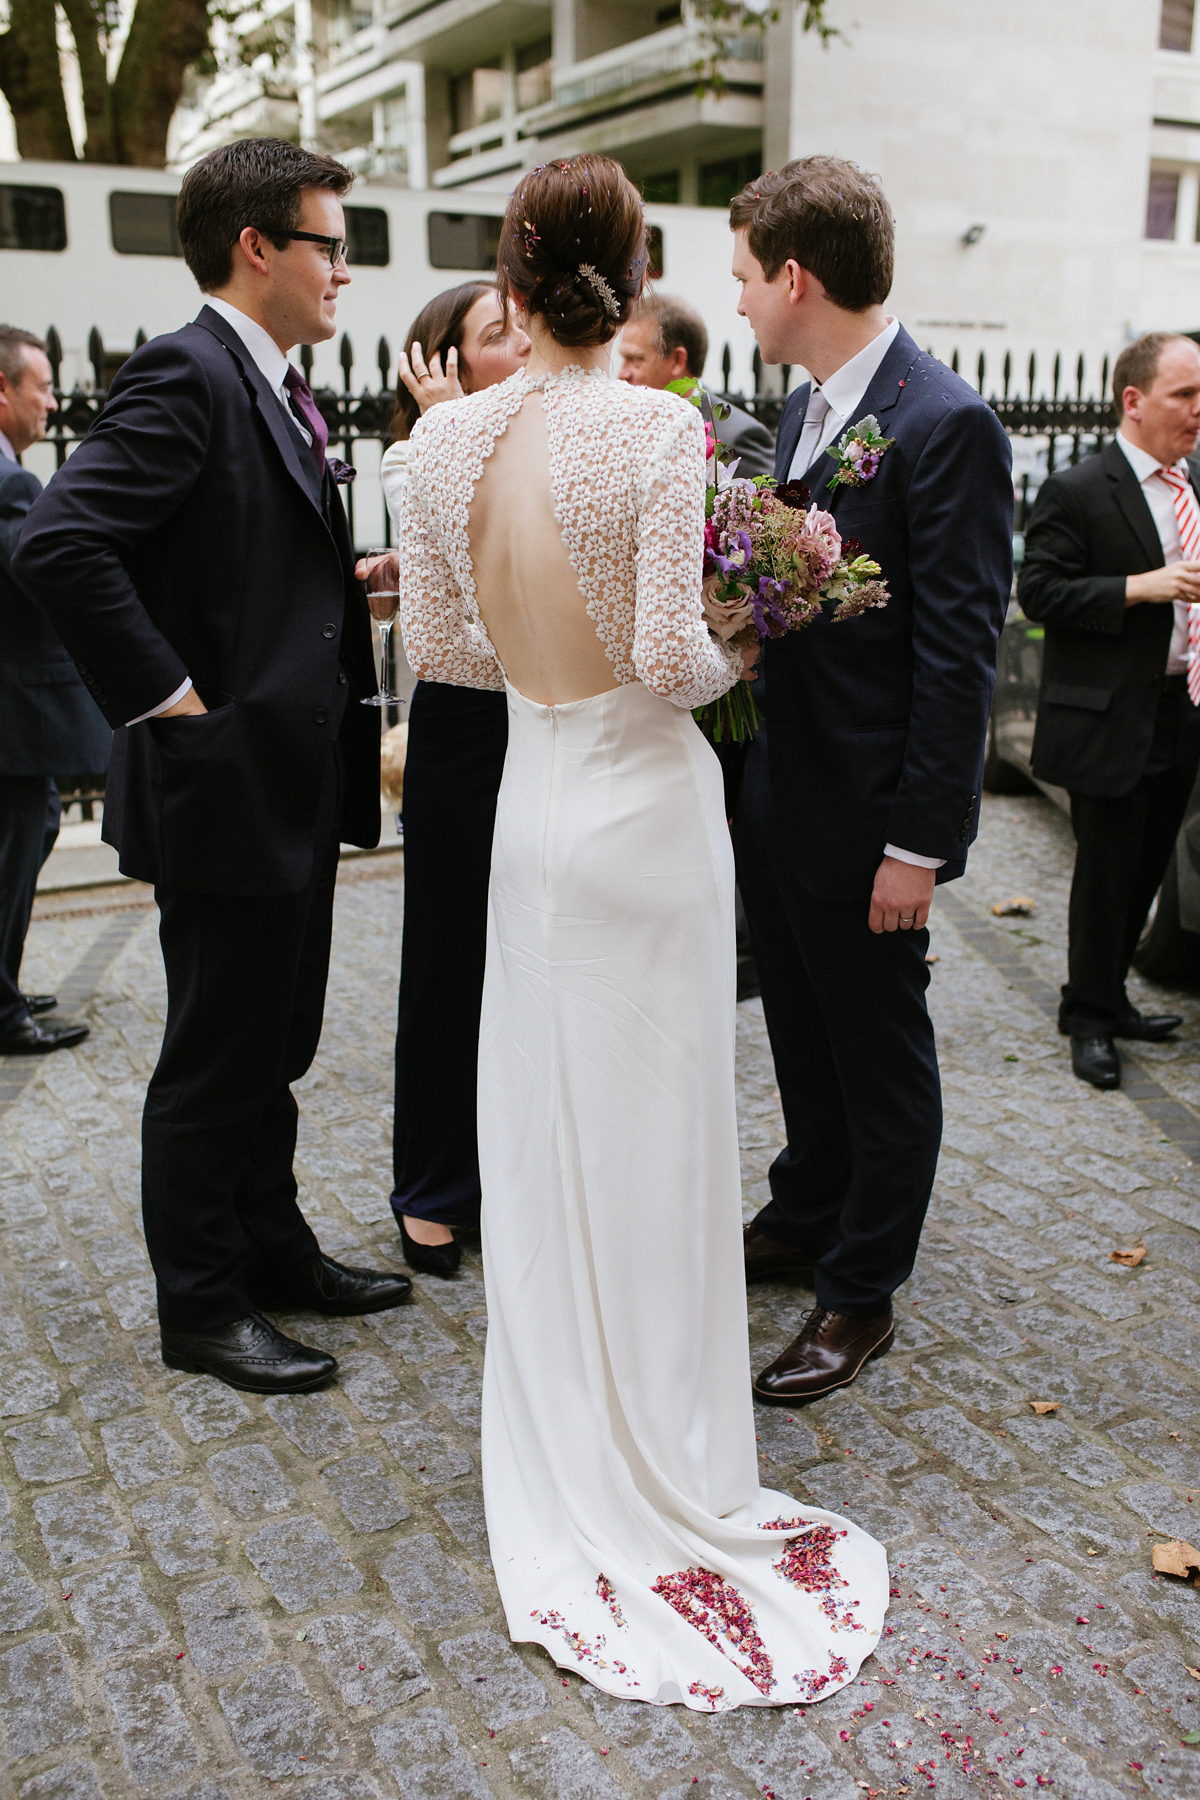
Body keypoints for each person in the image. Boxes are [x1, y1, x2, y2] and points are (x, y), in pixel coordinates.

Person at [399, 153, 886, 1712]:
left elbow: (443, 650)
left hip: (533, 812)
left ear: (512, 274)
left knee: (545, 1117)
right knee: (659, 1119)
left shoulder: (444, 437)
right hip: (644, 810)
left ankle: (563, 1408)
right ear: (634, 269)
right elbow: (679, 663)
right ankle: (665, 1451)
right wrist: (772, 606)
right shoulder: (655, 429)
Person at [14, 138, 411, 1397]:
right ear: (258, 248)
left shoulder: (274, 379)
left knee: (273, 1042)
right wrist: (172, 699)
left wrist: (338, 592)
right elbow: (66, 545)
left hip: (283, 780)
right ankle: (201, 1305)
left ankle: (274, 1248)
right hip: (220, 779)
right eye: (330, 244)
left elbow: (233, 554)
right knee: (215, 1057)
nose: (345, 269)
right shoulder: (187, 372)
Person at [729, 158, 1013, 1403]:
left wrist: (919, 845)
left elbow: (962, 656)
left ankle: (861, 1289)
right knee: (802, 1029)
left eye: (744, 278)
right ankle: (806, 1207)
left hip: (870, 817)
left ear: (797, 277)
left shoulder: (944, 422)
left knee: (879, 1050)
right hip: (785, 793)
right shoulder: (803, 411)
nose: (736, 302)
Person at [380, 283, 530, 1276]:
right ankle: (432, 1184)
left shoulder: (570, 434)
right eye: (493, 334)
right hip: (469, 725)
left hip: (558, 719)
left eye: (521, 323)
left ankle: (522, 1173)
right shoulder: (414, 454)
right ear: (446, 363)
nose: (520, 342)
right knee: (450, 963)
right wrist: (448, 431)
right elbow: (464, 603)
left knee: (538, 961)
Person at [1018, 332, 1200, 1089]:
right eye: (1183, 395)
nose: (1198, 410)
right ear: (1134, 401)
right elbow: (1041, 595)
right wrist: (1141, 586)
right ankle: (1087, 1019)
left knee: (1150, 869)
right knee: (1106, 876)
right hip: (1107, 717)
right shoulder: (1079, 488)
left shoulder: (1193, 485)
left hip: (1180, 711)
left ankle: (1111, 998)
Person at [0, 326, 110, 1055]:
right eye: (40, 385)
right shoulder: (11, 479)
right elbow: (31, 570)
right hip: (13, 709)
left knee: (31, 830)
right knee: (14, 847)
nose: (52, 401)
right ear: (3, 390)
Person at [618, 289, 775, 477]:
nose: (622, 373)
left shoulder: (738, 437)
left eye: (635, 360)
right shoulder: (625, 427)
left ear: (678, 360)